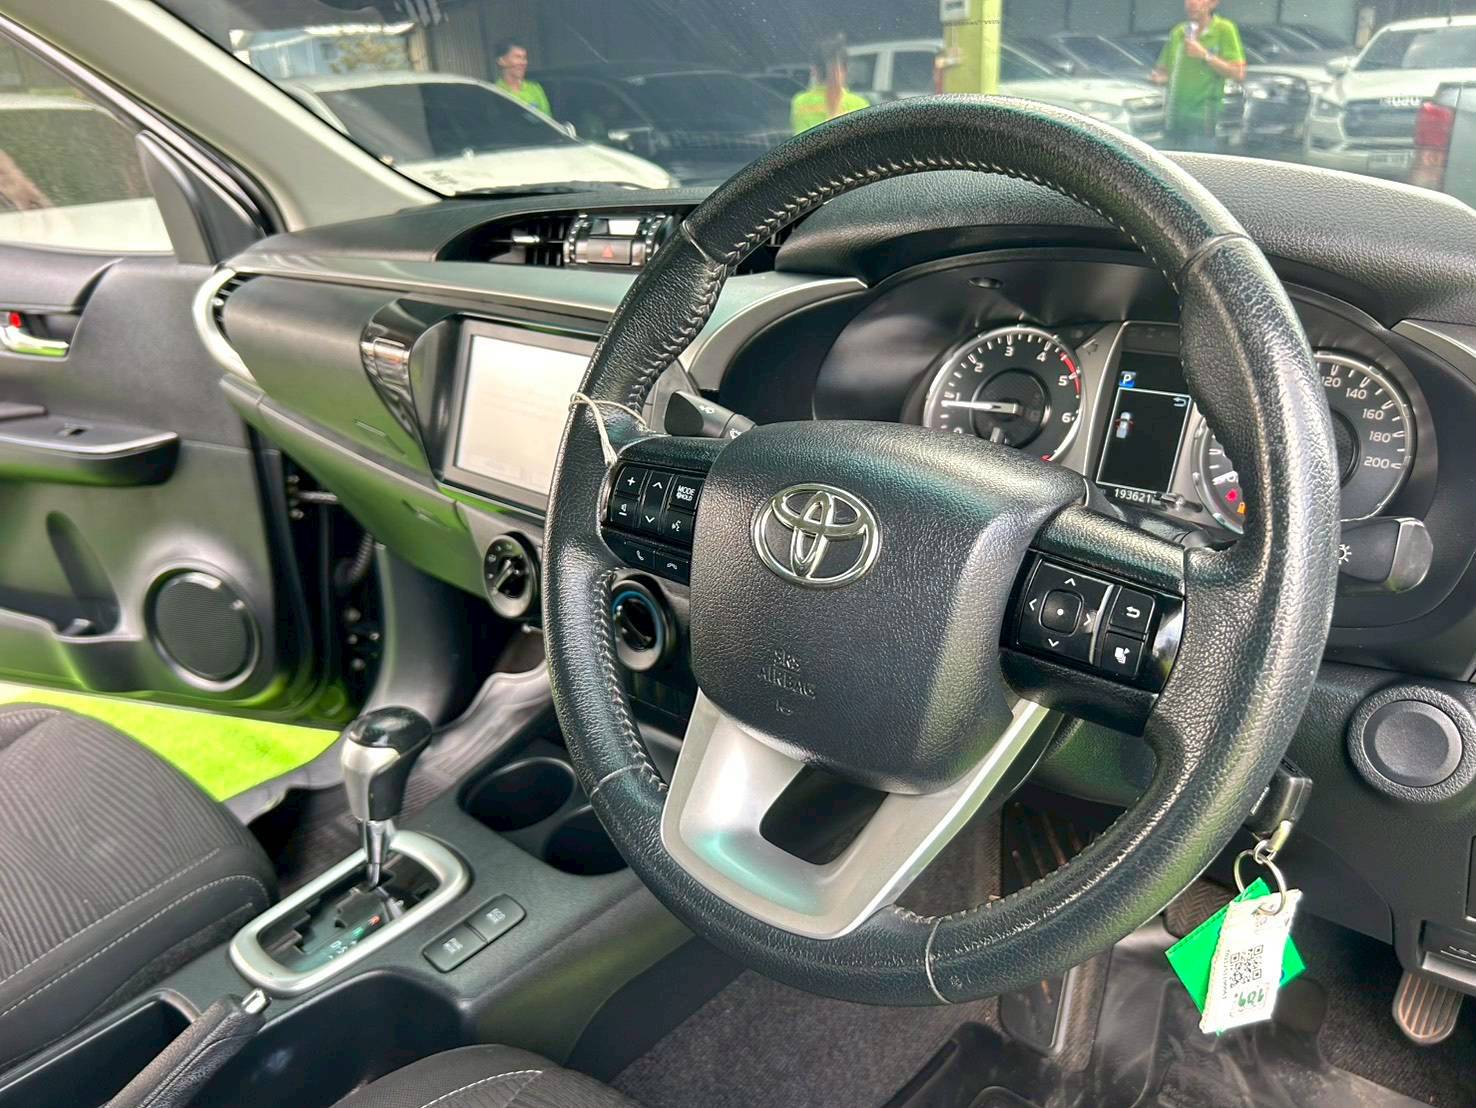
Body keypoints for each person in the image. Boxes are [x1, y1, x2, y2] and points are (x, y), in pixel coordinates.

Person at [1150, 0, 1246, 152]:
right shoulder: (1178, 32)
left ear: (1213, 3)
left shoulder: (1224, 29)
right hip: (1173, 121)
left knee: (1198, 164)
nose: (1192, 3)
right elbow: (1163, 71)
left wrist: (1205, 55)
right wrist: (1159, 78)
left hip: (1203, 122)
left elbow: (1238, 73)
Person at [791, 35, 869, 135]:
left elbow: (801, 140)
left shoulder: (800, 102)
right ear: (845, 69)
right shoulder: (859, 104)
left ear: (814, 70)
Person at [493, 39, 552, 116]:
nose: (523, 62)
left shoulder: (535, 88)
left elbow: (547, 119)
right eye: (517, 57)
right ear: (501, 61)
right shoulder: (495, 92)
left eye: (524, 58)